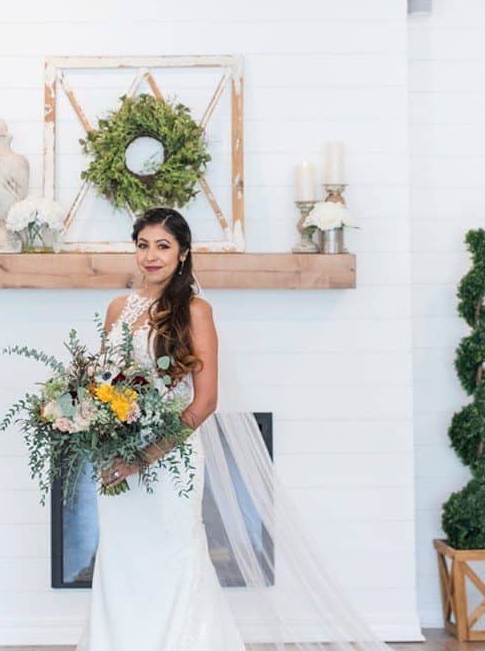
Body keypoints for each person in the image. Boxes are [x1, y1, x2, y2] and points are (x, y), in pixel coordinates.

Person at [76, 207, 396, 651]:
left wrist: (144, 456)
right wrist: (95, 427)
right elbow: (106, 385)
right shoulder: (116, 309)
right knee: (122, 560)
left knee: (172, 559)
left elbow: (205, 401)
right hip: (117, 463)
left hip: (170, 461)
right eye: (143, 245)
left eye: (163, 246)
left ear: (183, 254)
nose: (151, 256)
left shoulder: (195, 311)